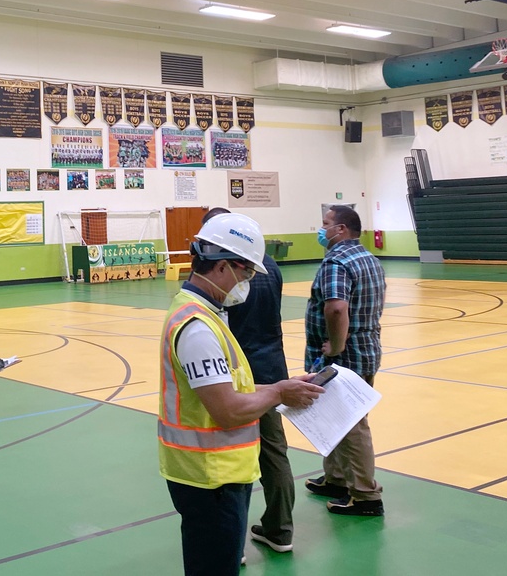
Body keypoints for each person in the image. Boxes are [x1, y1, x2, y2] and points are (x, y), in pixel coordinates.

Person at [159, 212, 324, 576]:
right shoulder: (199, 328)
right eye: (247, 272)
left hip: (213, 475)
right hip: (211, 477)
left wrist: (284, 389)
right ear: (223, 267)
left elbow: (230, 387)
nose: (248, 281)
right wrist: (279, 389)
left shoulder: (204, 312)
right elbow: (229, 410)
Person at [200, 207, 295, 554]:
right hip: (272, 366)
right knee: (274, 453)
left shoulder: (224, 276)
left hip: (236, 372)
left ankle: (232, 544)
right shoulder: (270, 266)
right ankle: (280, 529)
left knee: (229, 457)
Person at [303, 205, 386, 516]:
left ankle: (366, 496)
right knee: (336, 418)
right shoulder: (369, 259)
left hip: (344, 356)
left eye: (325, 224)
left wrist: (335, 348)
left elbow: (337, 308)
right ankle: (337, 479)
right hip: (367, 349)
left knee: (352, 424)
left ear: (341, 229)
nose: (321, 230)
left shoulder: (336, 261)